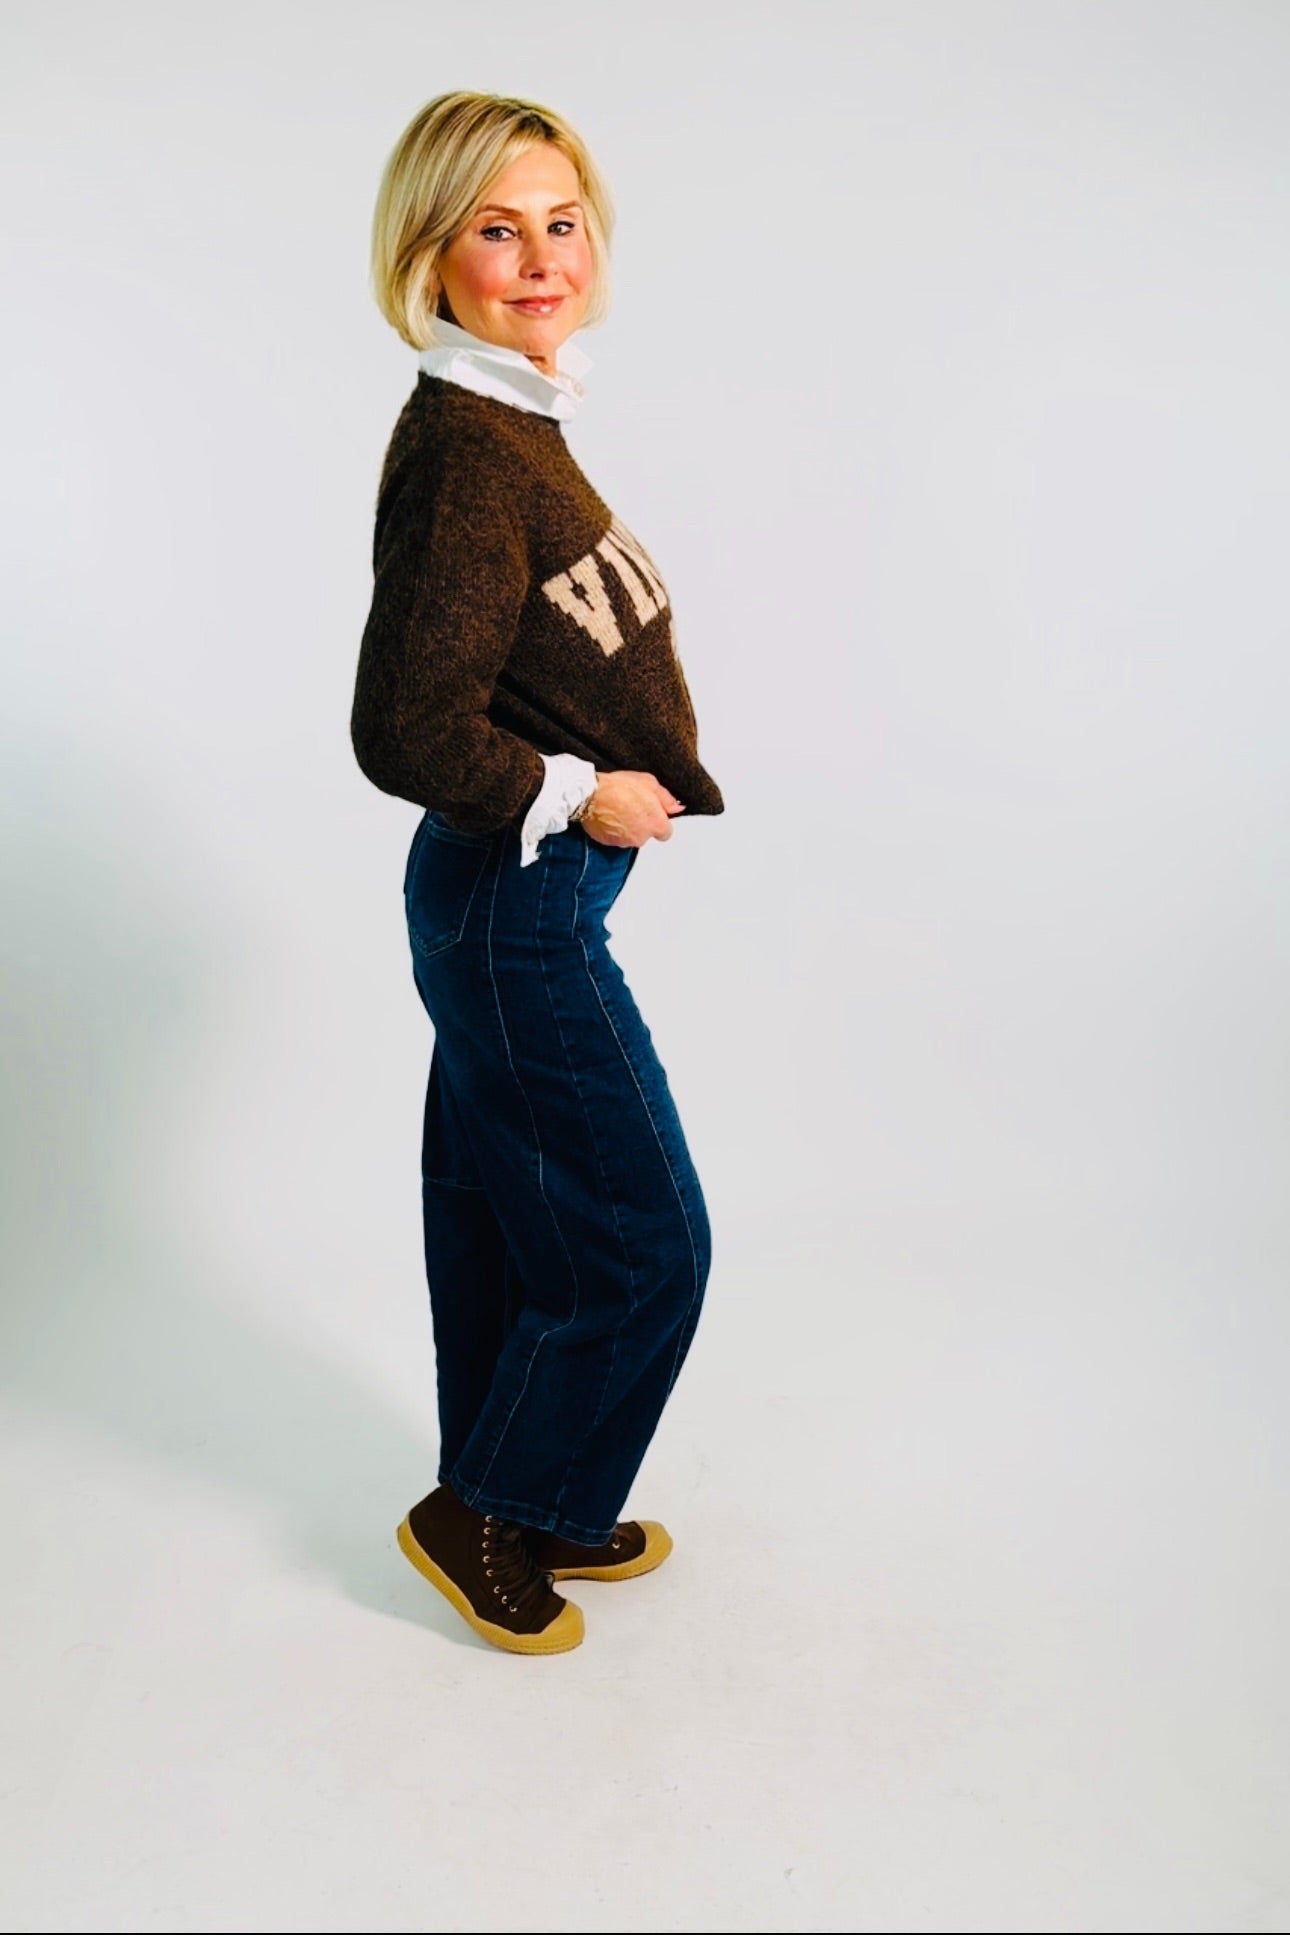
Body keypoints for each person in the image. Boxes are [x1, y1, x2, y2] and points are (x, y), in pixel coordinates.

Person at [351, 90, 725, 1655]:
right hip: (515, 905)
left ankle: (538, 1494)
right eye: (493, 230)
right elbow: (405, 724)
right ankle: (487, 1509)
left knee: (512, 1217)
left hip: (503, 901)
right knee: (647, 1244)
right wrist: (581, 791)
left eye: (560, 223)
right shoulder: (468, 447)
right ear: (428, 258)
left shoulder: (514, 421)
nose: (537, 257)